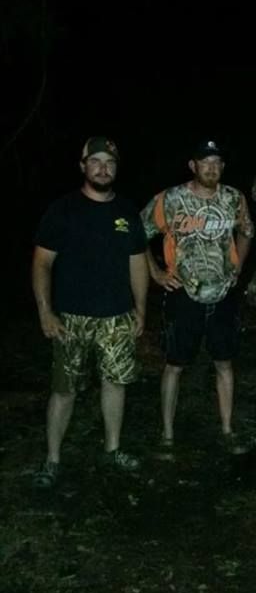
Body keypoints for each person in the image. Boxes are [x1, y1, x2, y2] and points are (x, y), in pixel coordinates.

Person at [32, 136, 149, 489]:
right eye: (95, 161)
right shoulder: (62, 209)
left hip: (116, 317)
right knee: (64, 389)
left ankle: (112, 450)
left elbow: (138, 263)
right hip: (70, 318)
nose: (103, 168)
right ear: (82, 166)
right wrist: (45, 312)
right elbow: (41, 263)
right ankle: (52, 459)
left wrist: (141, 310)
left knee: (115, 383)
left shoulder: (127, 212)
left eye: (109, 163)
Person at [140, 138, 255, 457]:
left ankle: (228, 430)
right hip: (183, 295)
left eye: (217, 162)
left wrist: (238, 267)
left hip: (223, 295)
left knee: (225, 363)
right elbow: (138, 234)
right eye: (206, 162)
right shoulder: (171, 198)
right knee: (174, 365)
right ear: (193, 166)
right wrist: (156, 273)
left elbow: (247, 231)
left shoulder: (234, 198)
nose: (212, 168)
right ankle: (166, 434)